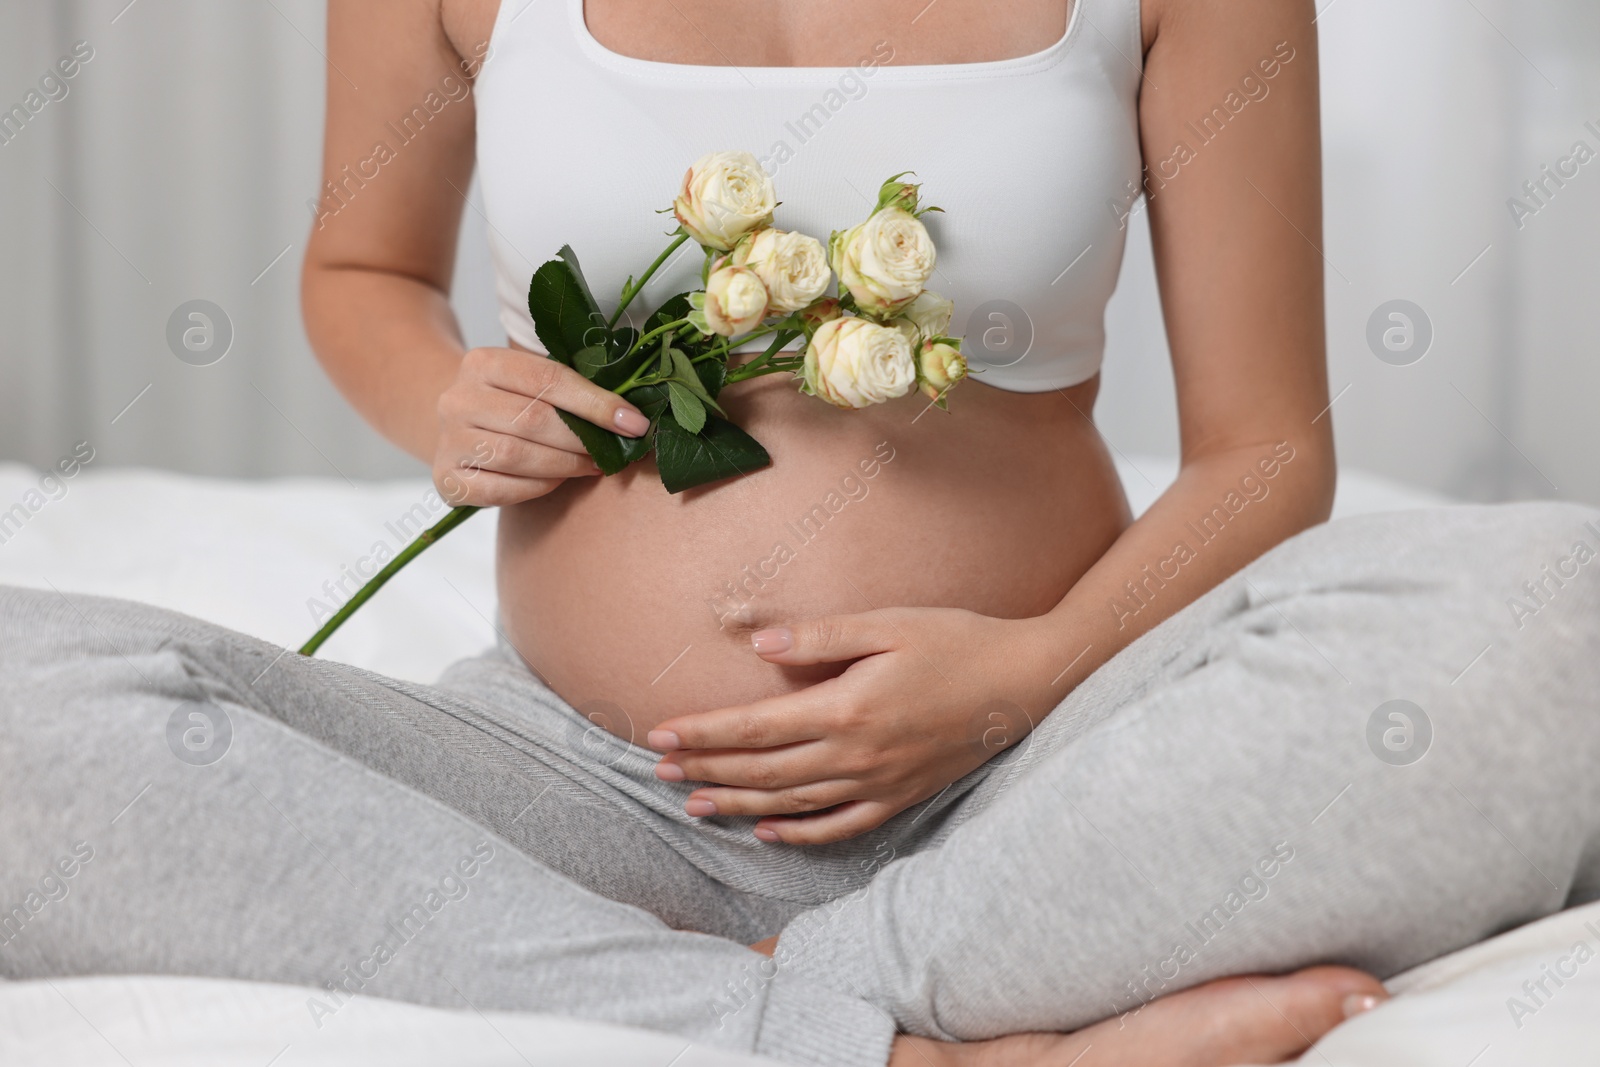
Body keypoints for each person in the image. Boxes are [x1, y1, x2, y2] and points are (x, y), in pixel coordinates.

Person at [4, 1, 1598, 1066]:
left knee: (1553, 612)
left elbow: (1268, 454)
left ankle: (754, 989)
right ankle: (896, 1038)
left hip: (1040, 784)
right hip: (575, 802)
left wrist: (1021, 679)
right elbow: (362, 276)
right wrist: (439, 400)